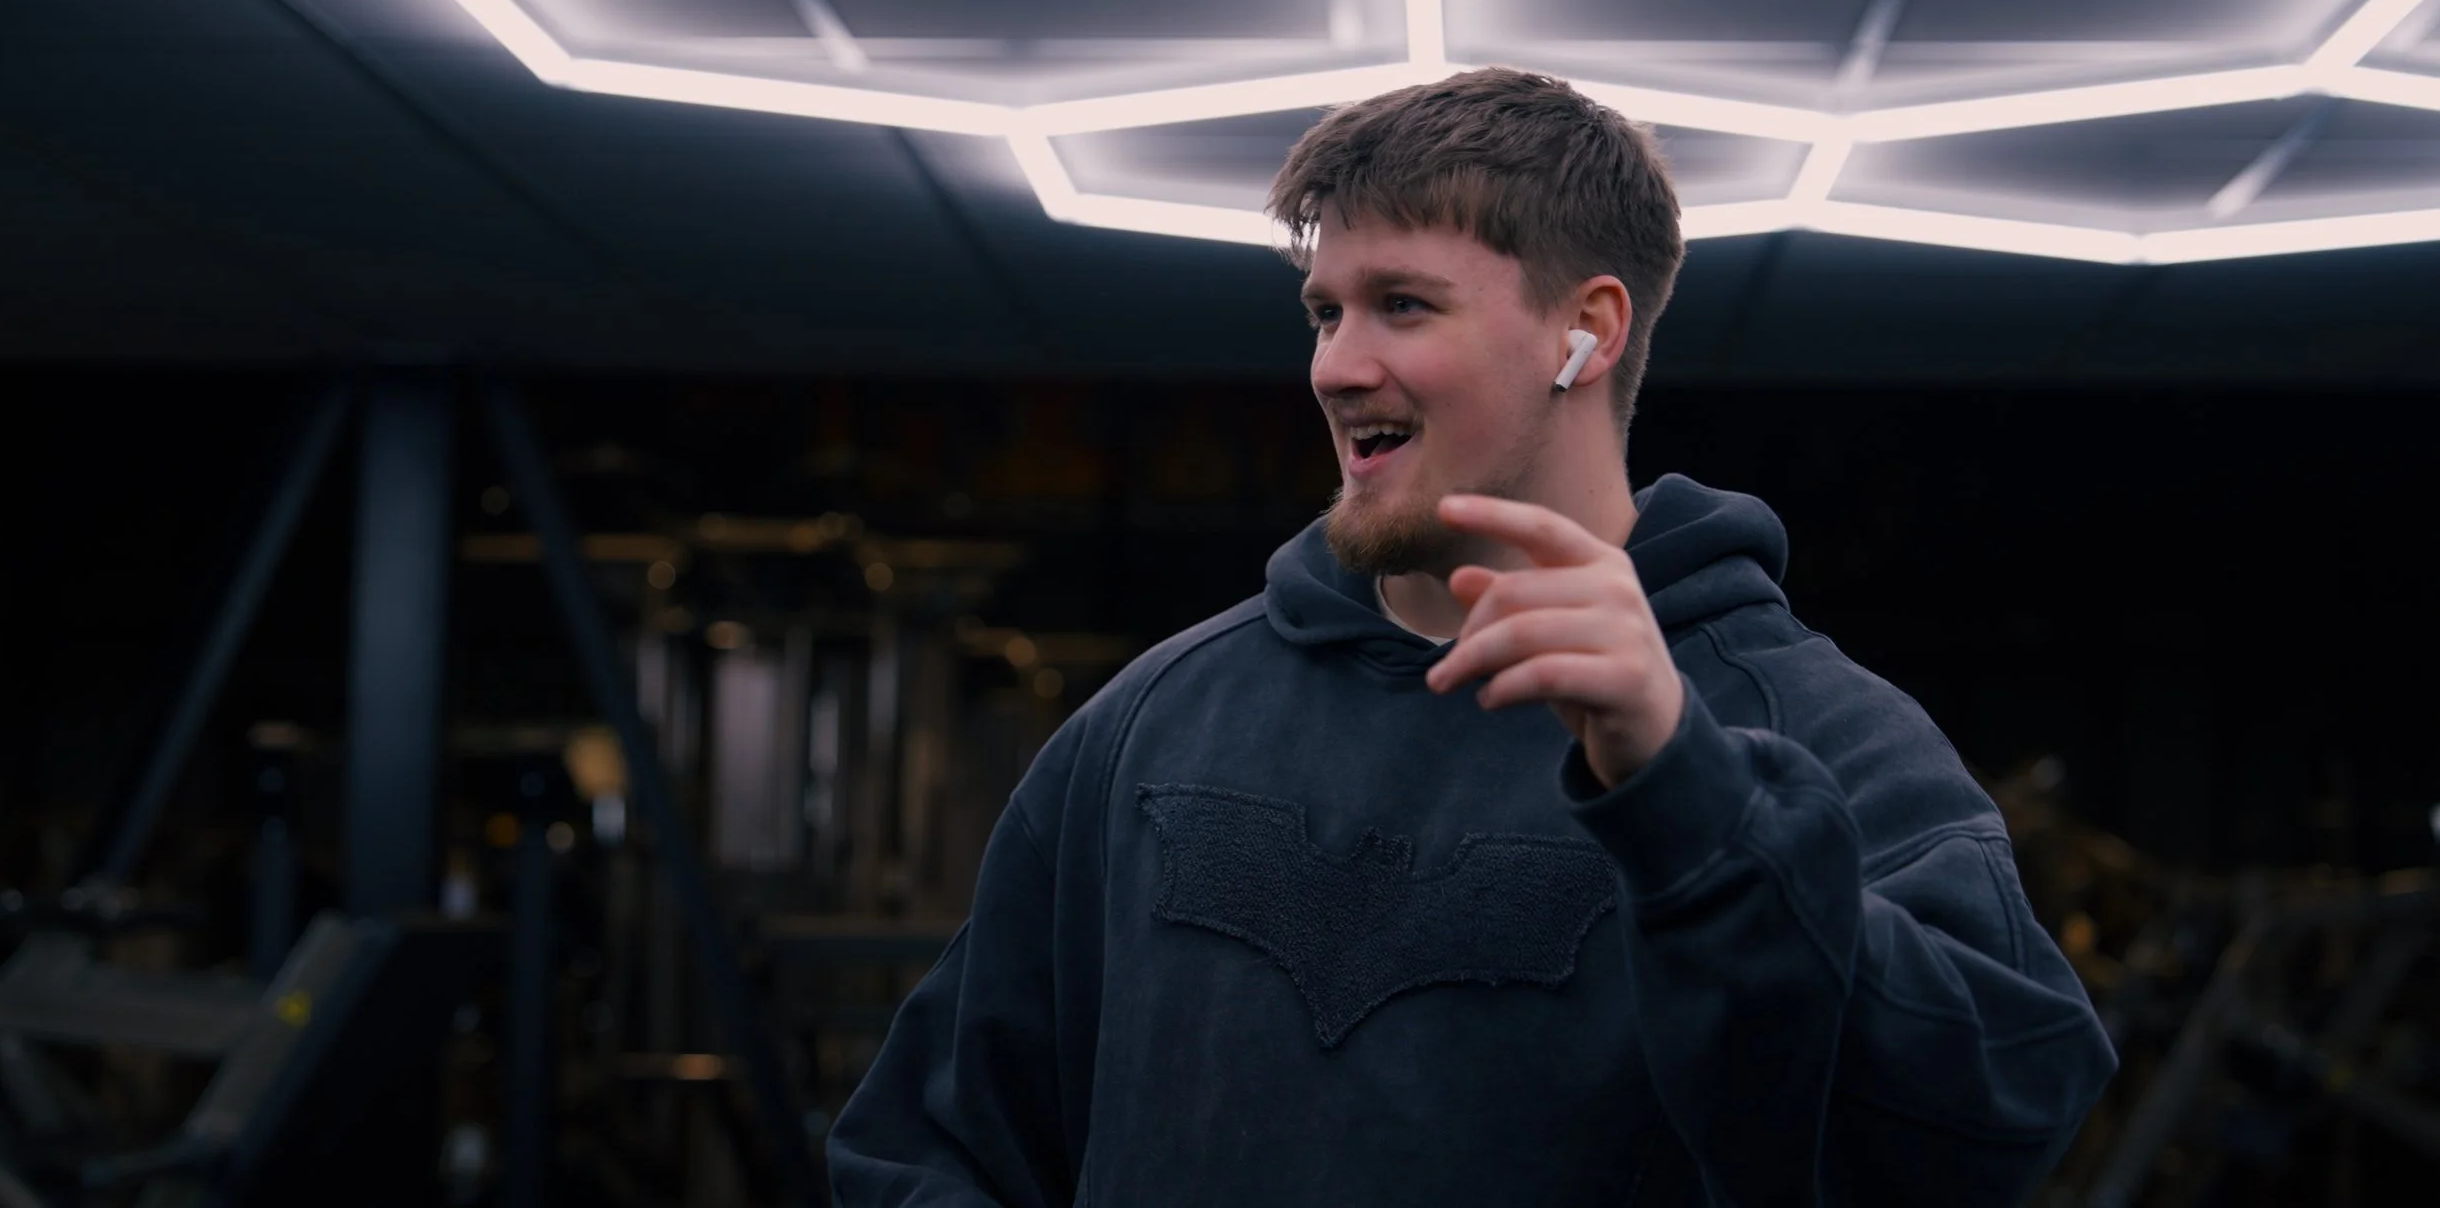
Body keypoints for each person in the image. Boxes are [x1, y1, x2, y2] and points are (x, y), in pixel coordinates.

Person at [827, 67, 2116, 1206]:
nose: (1336, 366)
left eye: (1402, 304)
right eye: (1325, 312)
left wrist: (1694, 798)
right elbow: (927, 1146)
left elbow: (1987, 1128)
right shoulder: (1154, 722)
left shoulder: (1813, 732)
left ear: (1585, 332)